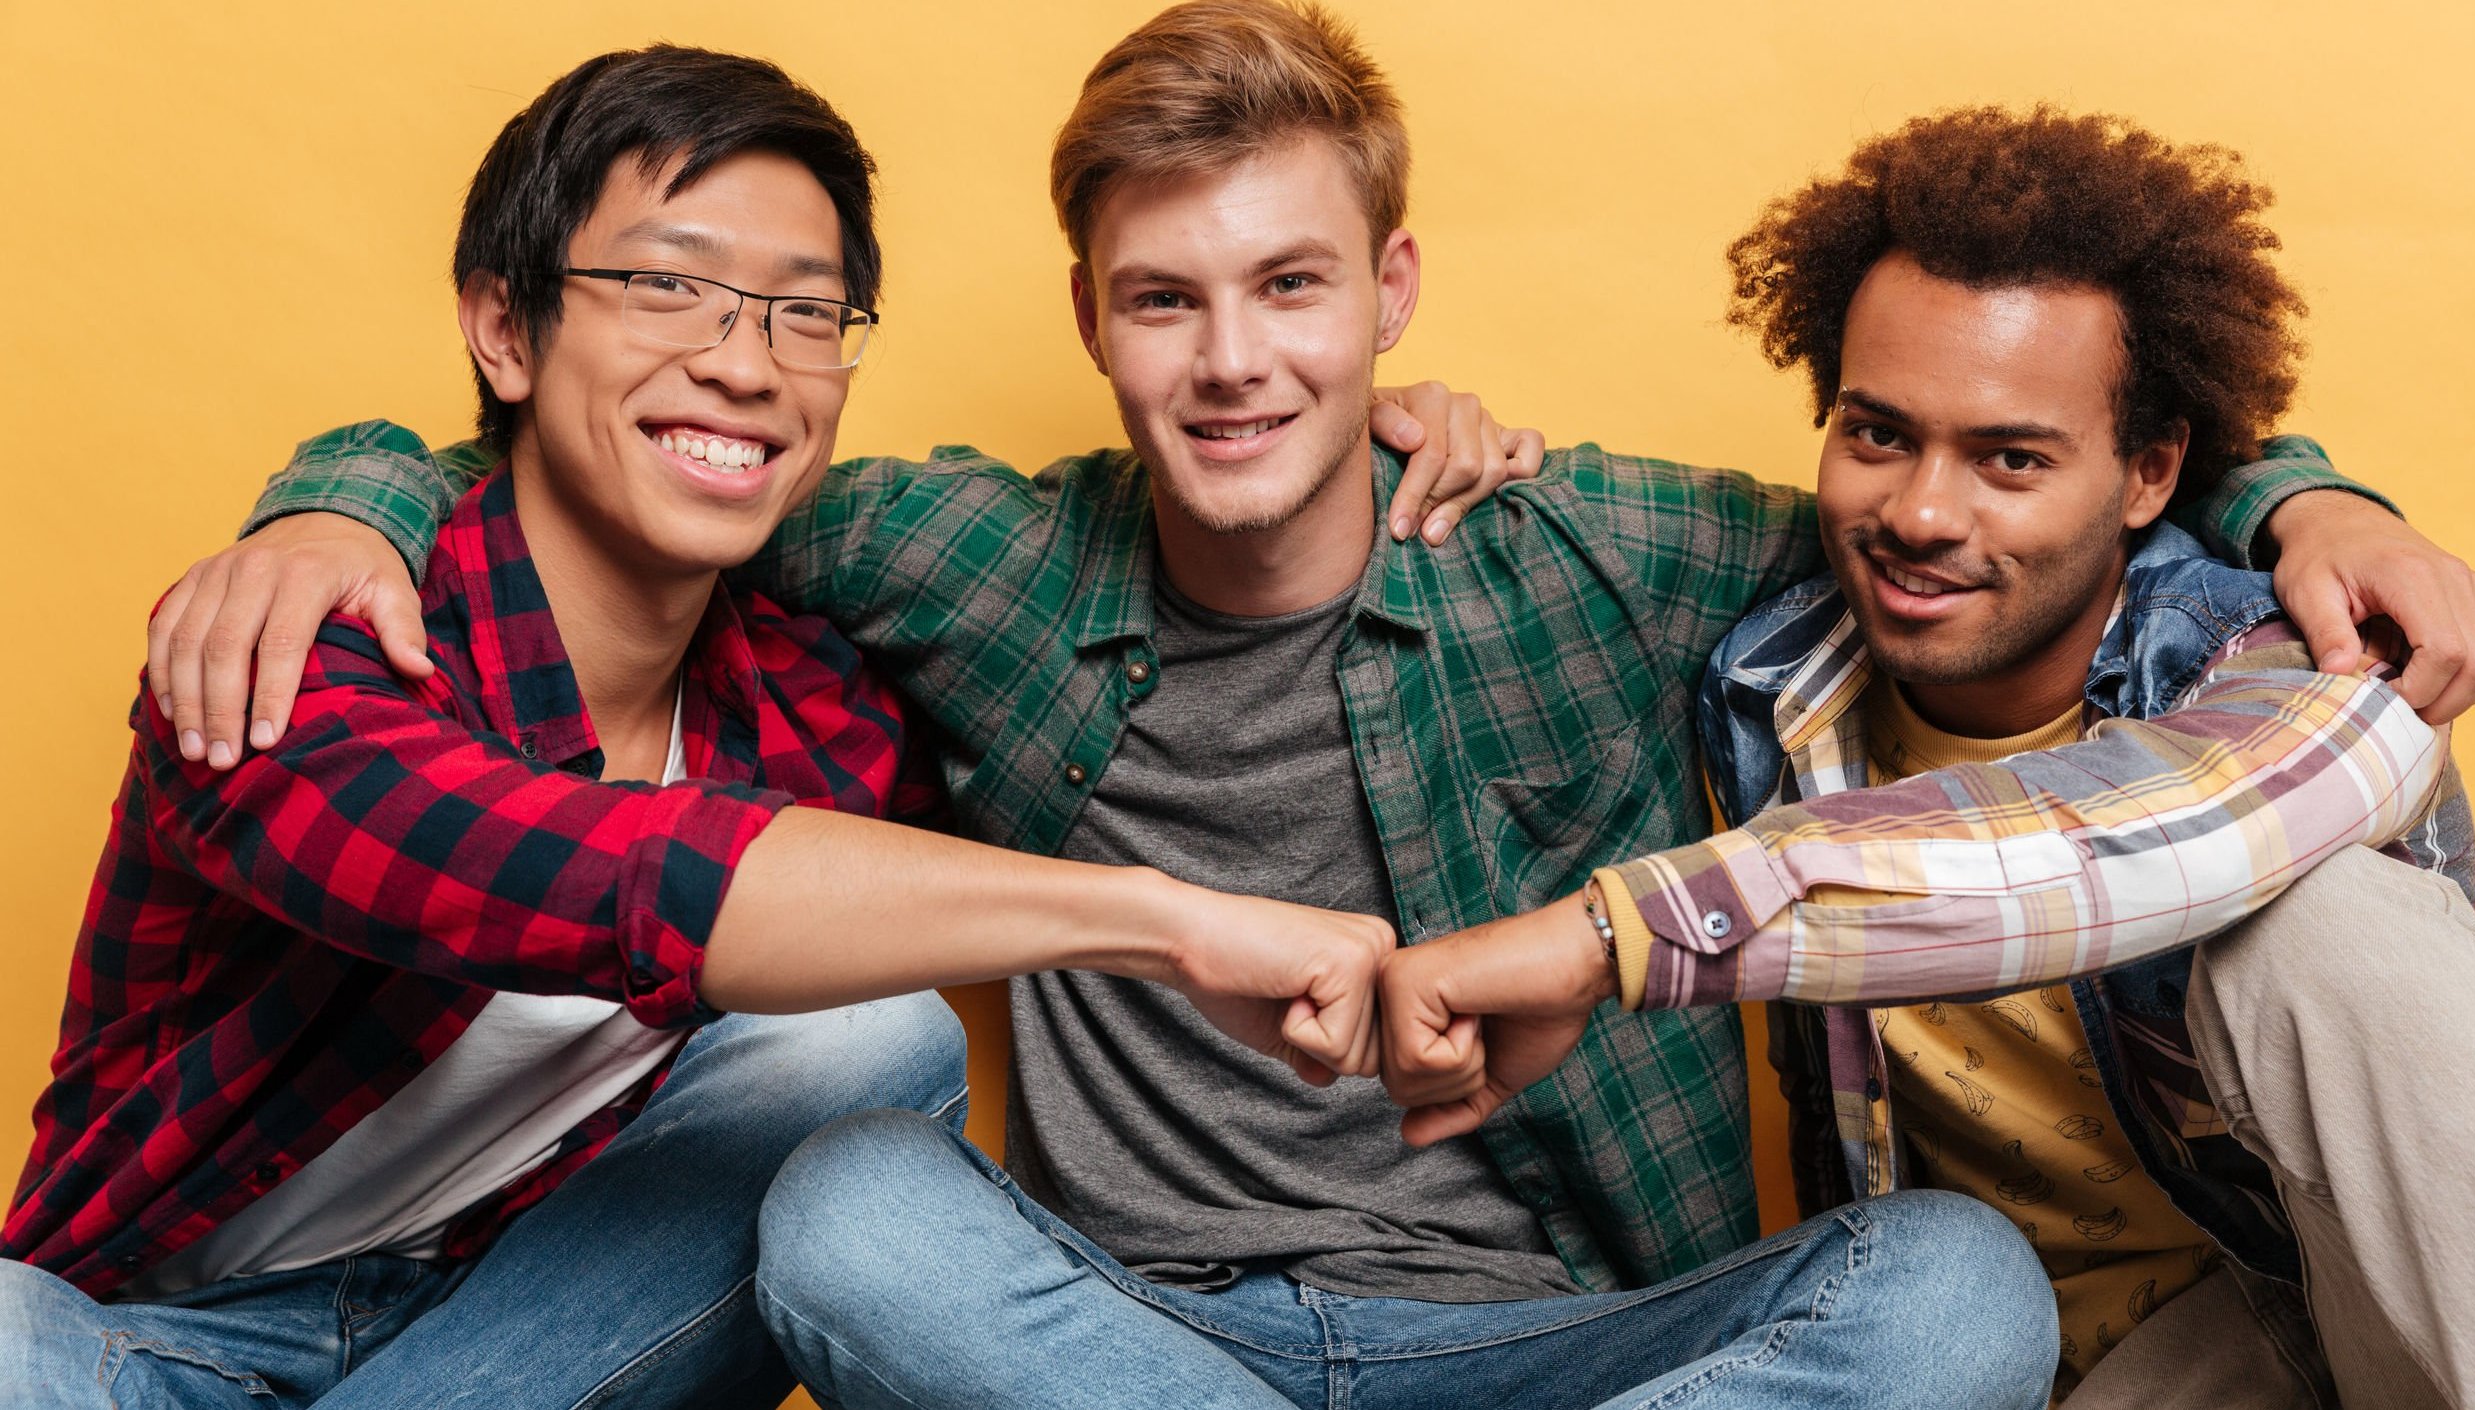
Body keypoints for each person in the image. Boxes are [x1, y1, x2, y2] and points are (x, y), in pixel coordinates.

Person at [144, 3, 2475, 1406]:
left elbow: (2003, 505)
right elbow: (624, 446)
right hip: (1136, 1344)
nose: (1235, 357)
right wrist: (340, 500)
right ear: (1090, 321)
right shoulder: (961, 556)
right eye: (1164, 300)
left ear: (1389, 291)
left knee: (1947, 1292)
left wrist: (2306, 486)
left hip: (1557, 1347)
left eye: (1290, 284)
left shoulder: (1600, 542)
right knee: (850, 1199)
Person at [1, 44, 1476, 1410]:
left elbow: (1203, 614)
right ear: (504, 327)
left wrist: (1335, 417)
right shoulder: (293, 636)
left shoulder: (820, 708)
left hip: (540, 1342)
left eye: (802, 309)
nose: (745, 362)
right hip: (146, 1345)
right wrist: (1168, 921)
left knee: (860, 1045)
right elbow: (603, 875)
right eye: (671, 288)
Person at [1374, 108, 2475, 1407]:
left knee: (2331, 921)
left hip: (2346, 1323)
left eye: (2010, 458)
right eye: (1877, 433)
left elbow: (2146, 833)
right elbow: (1517, 532)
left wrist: (1609, 939)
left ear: (2151, 473)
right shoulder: (1771, 676)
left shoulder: (2296, 648)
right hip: (2017, 1357)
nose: (1920, 511)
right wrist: (1396, 433)